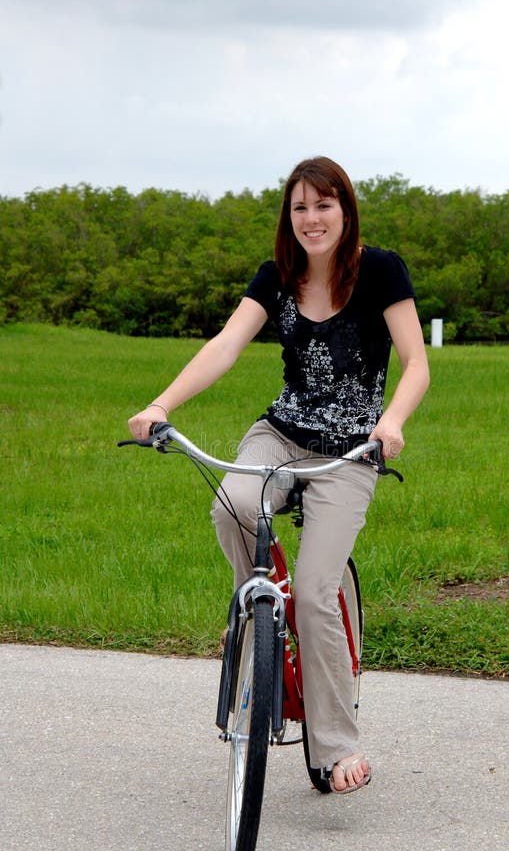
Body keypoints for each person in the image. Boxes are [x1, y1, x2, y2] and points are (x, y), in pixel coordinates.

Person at [129, 156, 430, 793]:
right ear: (287, 217)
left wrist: (392, 422)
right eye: (299, 207)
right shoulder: (278, 276)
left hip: (351, 452)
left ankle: (336, 744)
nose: (311, 219)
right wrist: (162, 405)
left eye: (323, 205)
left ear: (345, 211)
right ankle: (252, 608)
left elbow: (415, 361)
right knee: (233, 504)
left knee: (318, 593)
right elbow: (225, 345)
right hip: (282, 435)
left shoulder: (380, 271)